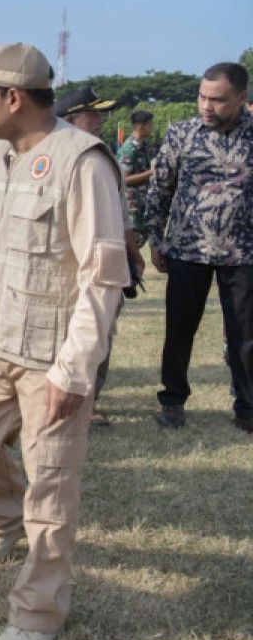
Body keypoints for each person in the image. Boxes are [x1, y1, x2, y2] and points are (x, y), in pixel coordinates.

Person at [0, 43, 127, 640]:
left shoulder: (84, 162)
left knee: (50, 486)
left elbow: (102, 276)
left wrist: (75, 373)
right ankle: (2, 523)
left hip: (50, 357)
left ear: (13, 98)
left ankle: (38, 614)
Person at [146, 62, 253, 433]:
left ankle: (247, 407)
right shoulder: (182, 135)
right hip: (188, 250)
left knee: (245, 335)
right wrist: (156, 239)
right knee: (179, 331)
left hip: (243, 254)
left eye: (218, 100)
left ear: (241, 98)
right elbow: (160, 188)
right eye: (201, 97)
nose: (206, 106)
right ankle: (173, 401)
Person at [57, 85, 146, 428]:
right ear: (70, 119)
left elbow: (121, 212)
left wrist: (133, 254)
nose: (98, 119)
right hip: (66, 265)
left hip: (102, 261)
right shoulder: (55, 158)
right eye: (91, 113)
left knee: (99, 331)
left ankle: (89, 400)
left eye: (98, 113)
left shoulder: (102, 155)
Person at [117, 109, 155, 249]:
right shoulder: (129, 149)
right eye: (150, 125)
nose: (152, 128)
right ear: (141, 126)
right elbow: (124, 179)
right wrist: (151, 173)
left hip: (142, 203)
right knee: (130, 245)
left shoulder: (143, 146)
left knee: (142, 237)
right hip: (132, 206)